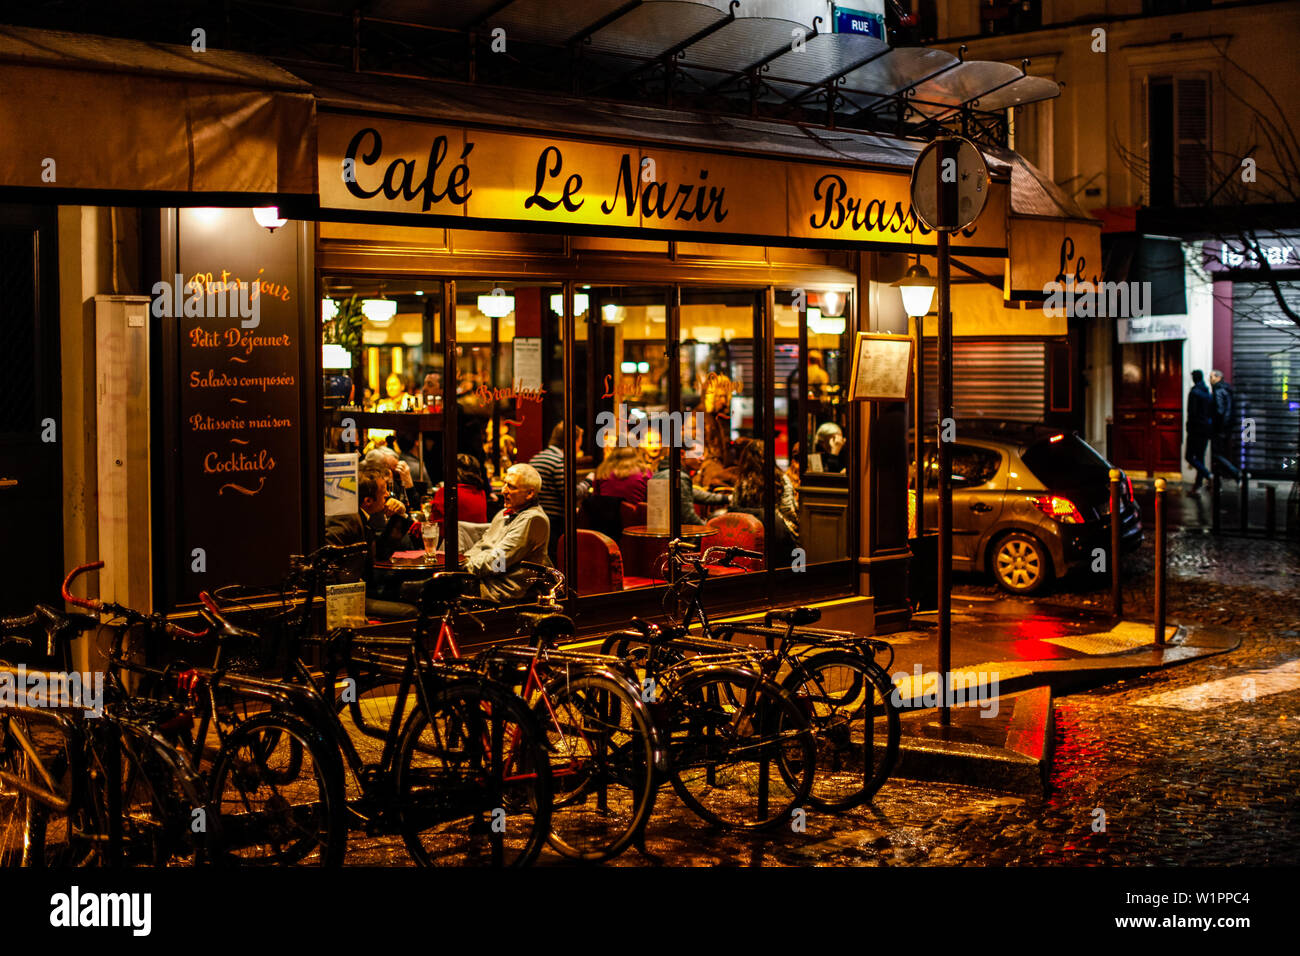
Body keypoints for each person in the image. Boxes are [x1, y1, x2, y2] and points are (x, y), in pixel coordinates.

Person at [459, 464, 552, 603]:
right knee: (427, 584)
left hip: (499, 589)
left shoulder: (534, 520)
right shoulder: (504, 513)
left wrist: (462, 569)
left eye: (511, 487)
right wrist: (463, 563)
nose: (503, 491)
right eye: (504, 484)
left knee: (428, 589)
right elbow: (482, 545)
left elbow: (498, 563)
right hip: (483, 579)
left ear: (530, 493)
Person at [528, 422, 591, 554]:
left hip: (536, 518)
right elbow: (571, 493)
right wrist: (589, 481)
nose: (580, 445)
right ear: (571, 440)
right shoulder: (559, 461)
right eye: (579, 440)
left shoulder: (537, 458)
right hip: (554, 523)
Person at [731, 439, 799, 547]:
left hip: (748, 532)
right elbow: (788, 509)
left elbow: (735, 506)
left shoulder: (743, 480)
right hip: (777, 533)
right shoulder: (780, 478)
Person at [1185, 369, 1215, 493]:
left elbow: (1192, 413)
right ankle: (1197, 486)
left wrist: (1189, 428)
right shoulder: (1207, 392)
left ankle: (1208, 476)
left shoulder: (1194, 393)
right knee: (1200, 457)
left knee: (1189, 456)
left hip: (1195, 429)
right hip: (1206, 428)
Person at [1209, 369, 1241, 482]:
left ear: (1218, 378)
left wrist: (1216, 426)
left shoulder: (1218, 390)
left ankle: (1235, 473)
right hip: (1227, 426)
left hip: (1220, 427)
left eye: (1212, 377)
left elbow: (1219, 410)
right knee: (1221, 453)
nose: (1210, 379)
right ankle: (1219, 479)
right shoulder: (1227, 389)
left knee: (1216, 453)